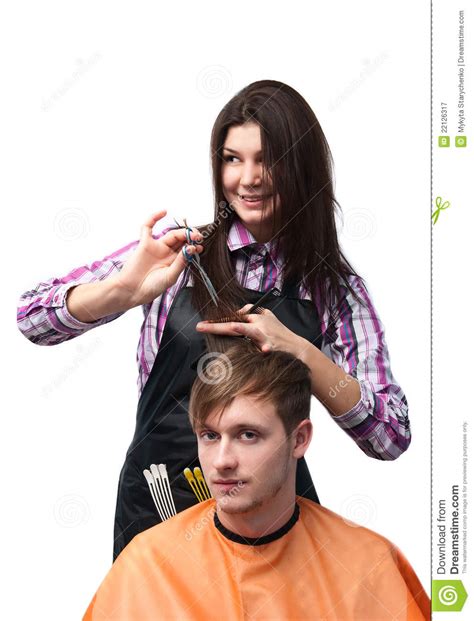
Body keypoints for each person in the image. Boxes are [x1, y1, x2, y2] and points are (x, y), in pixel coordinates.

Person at [17, 79, 412, 560]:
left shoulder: (335, 290)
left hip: (274, 521)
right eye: (232, 158)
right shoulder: (178, 252)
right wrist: (121, 291)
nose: (248, 178)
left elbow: (390, 437)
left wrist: (304, 355)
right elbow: (32, 318)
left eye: (268, 159)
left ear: (303, 167)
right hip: (158, 506)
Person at [83, 342, 429, 621]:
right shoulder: (146, 566)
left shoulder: (369, 565)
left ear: (299, 440)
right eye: (209, 436)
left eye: (248, 435)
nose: (222, 461)